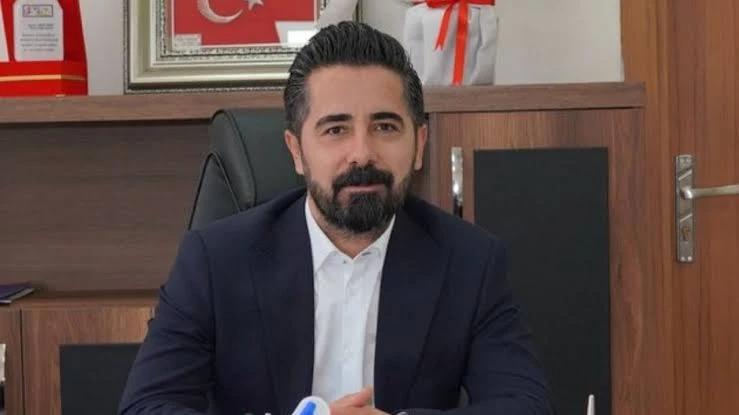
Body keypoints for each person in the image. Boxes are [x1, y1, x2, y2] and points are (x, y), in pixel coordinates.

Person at [118, 21, 553, 415]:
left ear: (419, 144)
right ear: (296, 151)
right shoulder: (214, 261)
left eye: (385, 127)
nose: (362, 153)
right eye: (335, 130)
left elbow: (526, 405)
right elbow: (146, 406)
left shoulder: (471, 262)